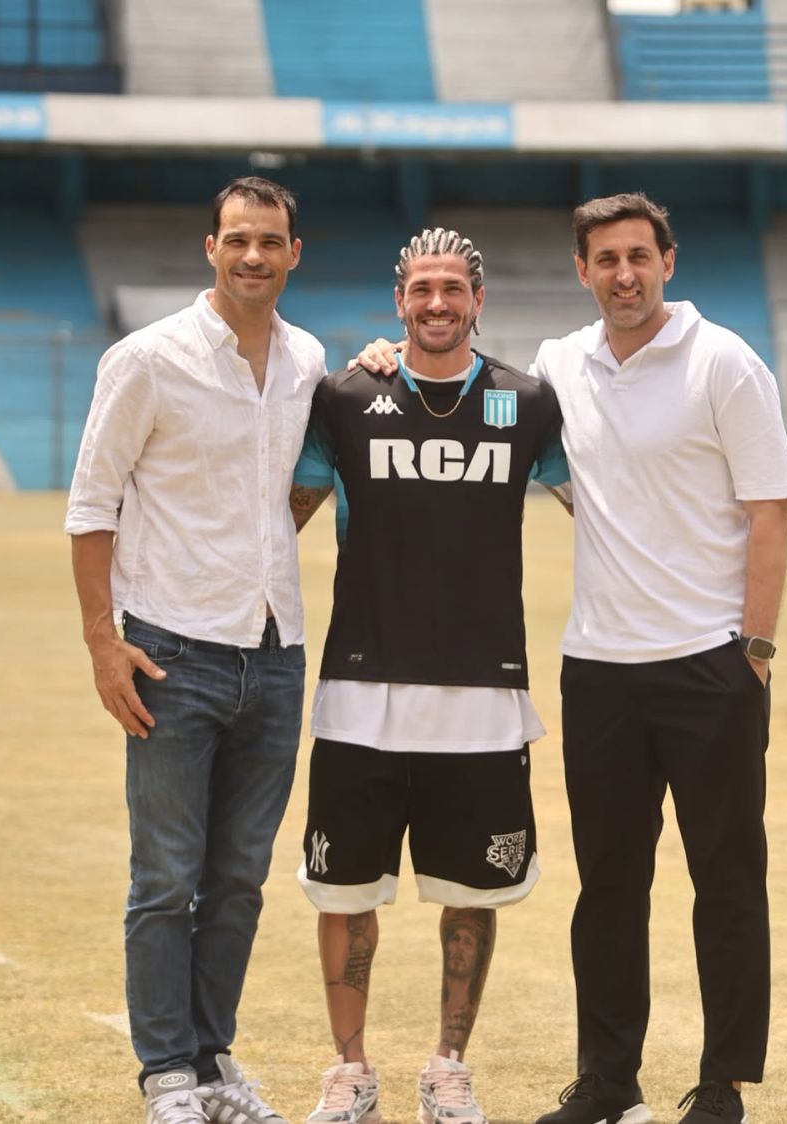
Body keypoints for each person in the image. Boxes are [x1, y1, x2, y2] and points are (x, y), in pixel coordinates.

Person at [354, 193, 787, 1124]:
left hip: (709, 666)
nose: (624, 274)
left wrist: (753, 649)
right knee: (608, 889)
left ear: (667, 261)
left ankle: (722, 1086)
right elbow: (462, 374)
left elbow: (770, 507)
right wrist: (383, 359)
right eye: (606, 259)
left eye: (639, 255)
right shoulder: (560, 366)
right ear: (582, 271)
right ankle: (607, 1079)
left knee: (724, 880)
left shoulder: (724, 362)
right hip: (597, 671)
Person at [290, 227, 569, 1124]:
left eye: (454, 288)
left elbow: (608, 506)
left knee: (471, 898)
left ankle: (449, 1068)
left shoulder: (528, 403)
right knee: (343, 894)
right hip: (360, 693)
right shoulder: (342, 396)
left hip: (484, 701)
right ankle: (351, 1072)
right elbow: (280, 517)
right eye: (422, 289)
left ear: (478, 299)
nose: (438, 303)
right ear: (400, 298)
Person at [65, 176, 326, 1124]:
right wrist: (105, 643)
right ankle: (166, 1075)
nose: (253, 255)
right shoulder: (147, 359)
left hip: (278, 651)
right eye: (236, 239)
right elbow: (92, 509)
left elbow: (304, 480)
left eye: (271, 240)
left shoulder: (308, 360)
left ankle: (215, 1060)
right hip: (171, 651)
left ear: (295, 253)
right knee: (165, 876)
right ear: (207, 249)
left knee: (239, 880)